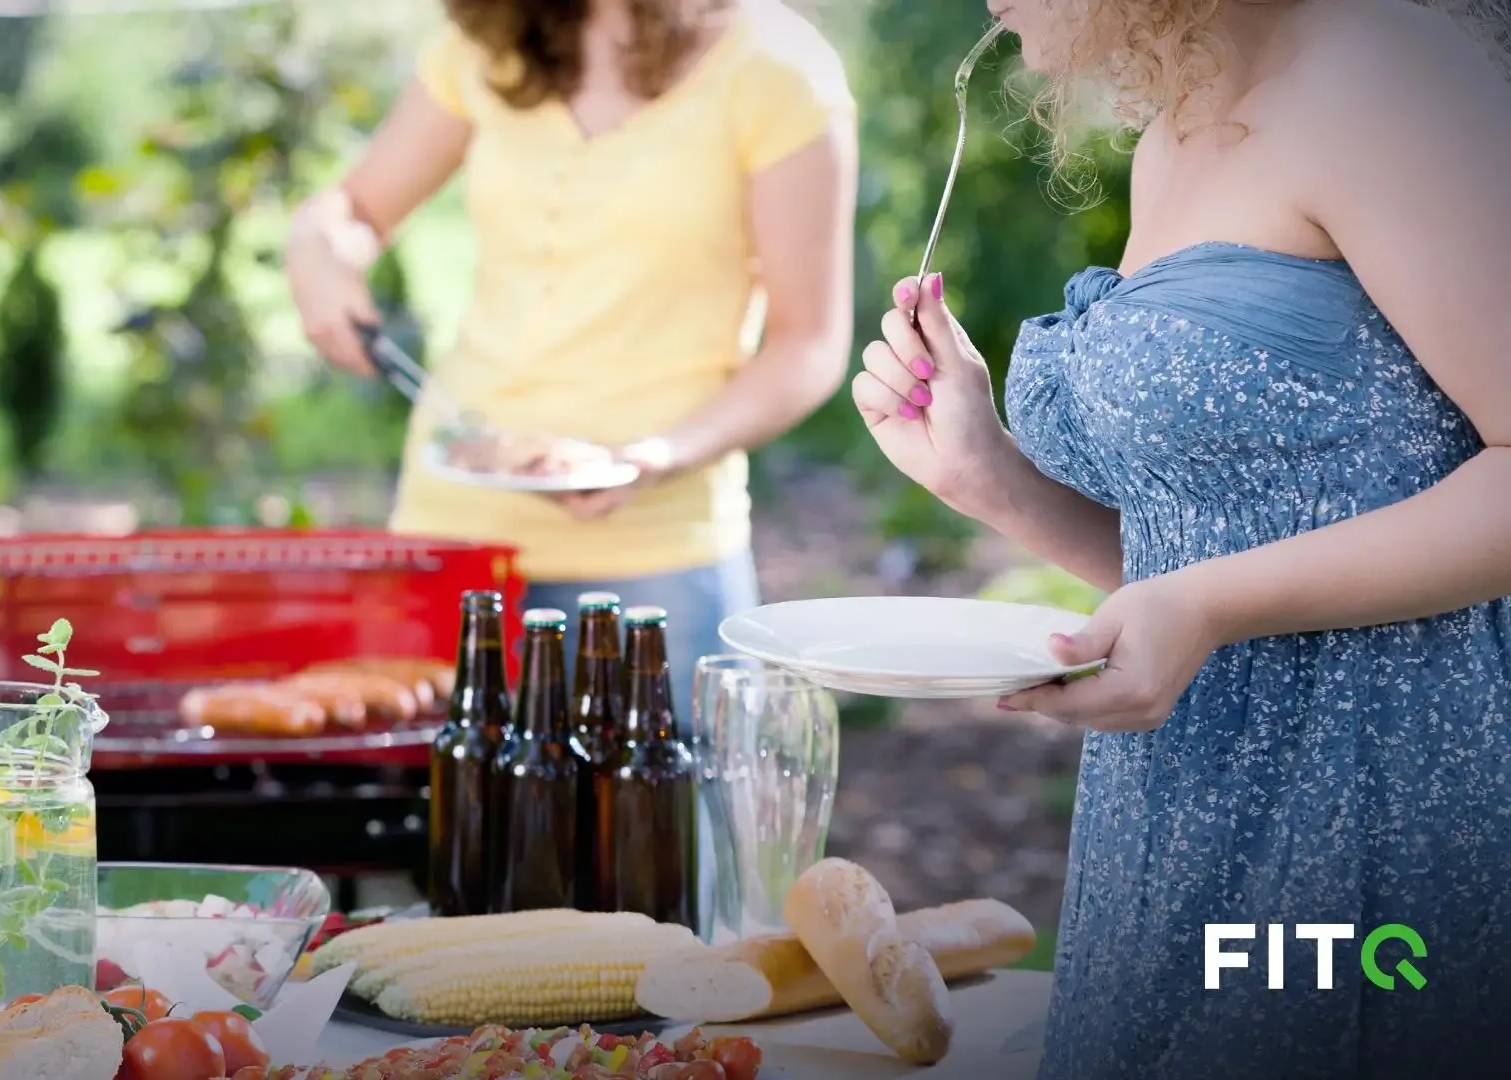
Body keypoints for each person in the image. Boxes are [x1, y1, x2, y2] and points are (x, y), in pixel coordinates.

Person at [853, 0, 1511, 1075]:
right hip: (1182, 809)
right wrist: (997, 485)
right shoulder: (1181, 129)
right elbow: (1224, 547)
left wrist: (1207, 607)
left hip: (1379, 807)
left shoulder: (1386, 75)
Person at [283, 0, 857, 723]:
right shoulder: (492, 40)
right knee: (458, 827)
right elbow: (354, 208)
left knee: (659, 832)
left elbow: (807, 346)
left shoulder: (777, 70)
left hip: (655, 559)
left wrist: (655, 456)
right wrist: (318, 252)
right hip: (454, 538)